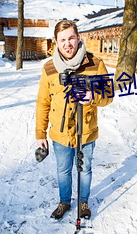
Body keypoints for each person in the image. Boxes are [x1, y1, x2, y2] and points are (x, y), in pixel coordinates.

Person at [35, 20, 113, 220]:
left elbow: (108, 95)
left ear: (78, 38)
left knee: (85, 169)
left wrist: (92, 97)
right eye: (62, 40)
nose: (67, 43)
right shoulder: (50, 68)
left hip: (86, 131)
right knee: (63, 170)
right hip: (60, 134)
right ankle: (64, 202)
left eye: (71, 38)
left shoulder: (95, 64)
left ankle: (84, 202)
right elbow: (43, 102)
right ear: (56, 42)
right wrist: (40, 134)